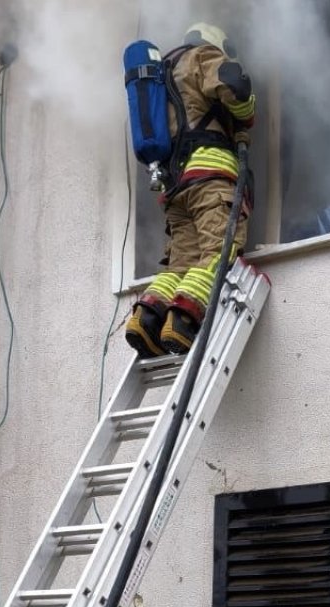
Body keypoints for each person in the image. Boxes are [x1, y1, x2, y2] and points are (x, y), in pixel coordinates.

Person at [125, 22, 256, 358]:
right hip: (211, 178)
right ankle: (183, 320)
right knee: (218, 251)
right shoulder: (202, 56)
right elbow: (234, 86)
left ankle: (148, 317)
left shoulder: (162, 75)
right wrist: (246, 113)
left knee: (181, 264)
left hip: (175, 187)